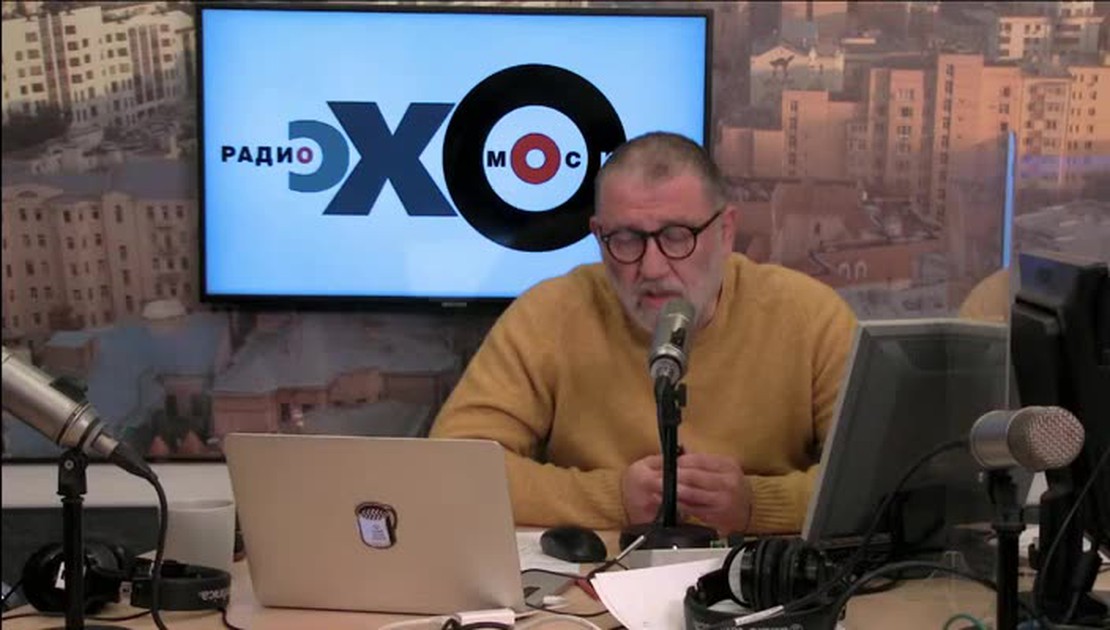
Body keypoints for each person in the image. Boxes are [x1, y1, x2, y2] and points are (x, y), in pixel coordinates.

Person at [430, 131, 857, 536]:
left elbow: (876, 478)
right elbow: (451, 467)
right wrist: (613, 498)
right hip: (597, 575)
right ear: (598, 236)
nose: (651, 268)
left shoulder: (807, 315)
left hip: (753, 571)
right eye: (626, 239)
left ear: (726, 231)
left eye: (677, 236)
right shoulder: (551, 313)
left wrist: (755, 504)